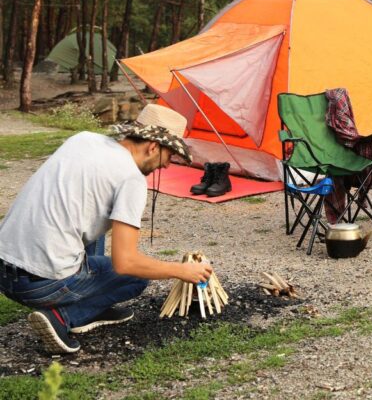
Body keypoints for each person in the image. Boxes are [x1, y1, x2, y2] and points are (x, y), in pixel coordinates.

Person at [0, 104, 213, 354]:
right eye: (169, 157)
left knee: (94, 227)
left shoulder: (83, 139)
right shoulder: (131, 179)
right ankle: (63, 317)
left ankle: (95, 307)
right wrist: (181, 270)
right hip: (39, 285)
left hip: (4, 268)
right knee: (136, 279)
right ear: (153, 146)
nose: (166, 166)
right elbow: (127, 263)